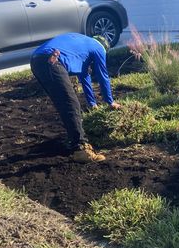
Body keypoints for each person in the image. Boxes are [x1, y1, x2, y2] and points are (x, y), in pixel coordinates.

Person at [30, 33, 121, 163]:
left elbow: (84, 77)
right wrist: (110, 101)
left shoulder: (83, 44)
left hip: (36, 59)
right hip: (52, 59)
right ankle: (81, 149)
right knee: (71, 104)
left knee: (63, 103)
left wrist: (92, 103)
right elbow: (103, 75)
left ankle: (73, 140)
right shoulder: (99, 48)